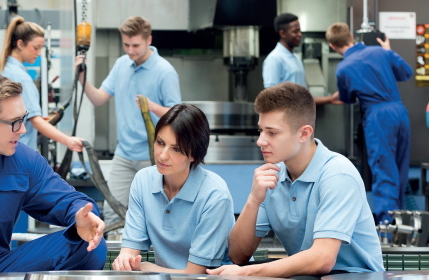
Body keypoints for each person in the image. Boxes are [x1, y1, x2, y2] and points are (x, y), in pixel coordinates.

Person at [0, 71, 107, 273]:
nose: (22, 130)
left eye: (23, 119)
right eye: (14, 122)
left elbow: (66, 200)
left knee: (89, 242)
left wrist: (82, 215)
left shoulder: (24, 161)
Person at [207, 82, 384, 278]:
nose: (260, 141)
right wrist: (253, 200)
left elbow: (322, 259)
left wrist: (246, 272)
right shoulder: (274, 177)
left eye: (272, 133)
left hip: (354, 275)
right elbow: (237, 255)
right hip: (311, 276)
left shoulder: (337, 174)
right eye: (261, 131)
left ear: (304, 133)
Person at [75, 16, 181, 236]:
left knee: (154, 214)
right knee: (113, 212)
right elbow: (98, 99)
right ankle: (115, 264)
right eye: (126, 45)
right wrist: (82, 78)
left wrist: (151, 106)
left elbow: (178, 115)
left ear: (148, 40)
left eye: (136, 45)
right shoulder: (121, 64)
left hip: (153, 157)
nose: (130, 50)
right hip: (123, 154)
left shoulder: (164, 71)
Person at [112, 104, 234, 274]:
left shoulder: (214, 195)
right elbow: (130, 249)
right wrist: (125, 260)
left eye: (176, 149)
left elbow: (196, 274)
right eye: (160, 143)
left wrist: (149, 269)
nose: (162, 155)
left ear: (193, 154)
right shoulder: (143, 180)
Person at [324, 22, 413, 223]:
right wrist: (389, 51)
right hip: (399, 112)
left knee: (384, 170)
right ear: (352, 37)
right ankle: (398, 224)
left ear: (332, 46)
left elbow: (346, 98)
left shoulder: (344, 68)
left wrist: (334, 97)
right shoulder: (381, 52)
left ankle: (387, 228)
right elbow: (406, 73)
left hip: (377, 117)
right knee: (400, 169)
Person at [0, 16, 84, 152]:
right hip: (20, 151)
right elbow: (35, 121)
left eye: (41, 48)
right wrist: (68, 141)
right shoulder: (21, 78)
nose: (38, 53)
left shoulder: (4, 70)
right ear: (20, 44)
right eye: (36, 48)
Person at [263, 13, 306, 89]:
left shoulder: (296, 58)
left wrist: (331, 98)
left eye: (299, 31)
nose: (300, 34)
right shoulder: (274, 59)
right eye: (295, 31)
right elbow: (271, 96)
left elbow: (304, 96)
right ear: (282, 33)